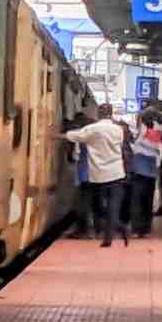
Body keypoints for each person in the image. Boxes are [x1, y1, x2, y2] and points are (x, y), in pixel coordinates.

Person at [55, 103, 127, 247]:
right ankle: (113, 233)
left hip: (99, 175)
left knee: (99, 207)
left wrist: (55, 135)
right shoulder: (118, 130)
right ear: (111, 113)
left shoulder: (93, 129)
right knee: (112, 206)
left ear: (99, 114)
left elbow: (73, 136)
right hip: (117, 173)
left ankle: (115, 230)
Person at [130, 107, 162, 237]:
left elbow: (137, 144)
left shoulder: (143, 129)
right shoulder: (159, 130)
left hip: (140, 168)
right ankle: (145, 229)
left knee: (137, 201)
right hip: (151, 170)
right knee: (147, 201)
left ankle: (136, 229)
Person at [66, 112, 96, 239]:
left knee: (83, 204)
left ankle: (84, 231)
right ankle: (87, 230)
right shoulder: (91, 138)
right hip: (90, 175)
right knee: (88, 204)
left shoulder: (84, 138)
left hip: (86, 176)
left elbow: (74, 154)